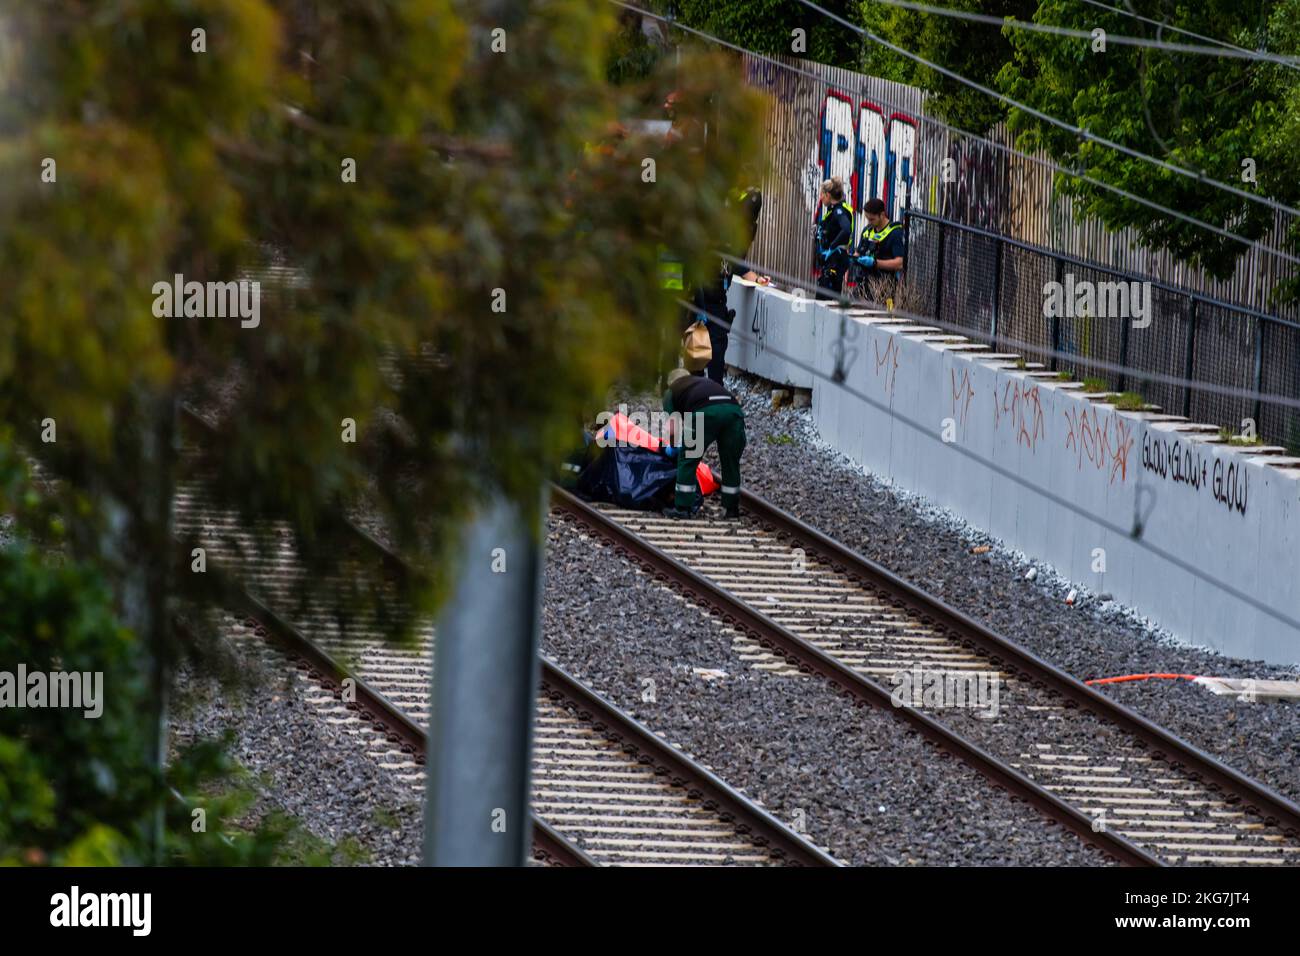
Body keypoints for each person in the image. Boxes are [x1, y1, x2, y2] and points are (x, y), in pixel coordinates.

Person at [661, 367, 746, 520]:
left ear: (669, 383)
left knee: (688, 459)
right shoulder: (704, 382)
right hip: (733, 411)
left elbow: (672, 429)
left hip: (704, 413)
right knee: (730, 462)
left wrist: (673, 447)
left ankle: (683, 508)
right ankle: (731, 509)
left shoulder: (671, 391)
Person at [853, 197, 906, 300]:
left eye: (872, 219)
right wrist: (854, 258)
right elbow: (858, 253)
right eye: (867, 218)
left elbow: (900, 263)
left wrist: (875, 263)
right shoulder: (867, 231)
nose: (869, 222)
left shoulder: (895, 233)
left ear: (882, 215)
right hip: (863, 284)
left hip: (884, 287)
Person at [814, 178, 854, 298]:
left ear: (828, 195)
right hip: (831, 261)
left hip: (835, 261)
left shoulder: (839, 211)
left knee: (825, 300)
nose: (821, 198)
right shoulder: (833, 211)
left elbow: (846, 230)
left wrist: (832, 247)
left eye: (822, 194)